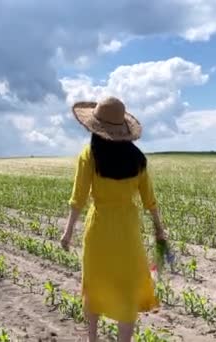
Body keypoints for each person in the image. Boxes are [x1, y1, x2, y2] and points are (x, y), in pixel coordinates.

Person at [60, 96, 167, 342]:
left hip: (98, 230)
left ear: (96, 128)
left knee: (95, 285)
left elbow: (78, 199)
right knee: (127, 289)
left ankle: (93, 339)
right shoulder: (138, 159)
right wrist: (159, 229)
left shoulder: (89, 155)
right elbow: (150, 200)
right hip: (128, 231)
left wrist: (67, 233)